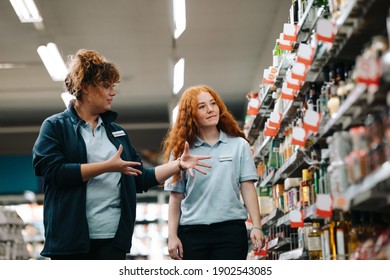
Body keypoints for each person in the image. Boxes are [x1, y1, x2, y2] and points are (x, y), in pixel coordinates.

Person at [32, 49, 211, 260]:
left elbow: (140, 178)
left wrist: (178, 165)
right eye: (106, 86)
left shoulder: (116, 133)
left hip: (112, 239)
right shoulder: (55, 126)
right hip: (70, 239)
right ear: (86, 88)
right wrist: (107, 166)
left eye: (113, 87)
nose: (112, 92)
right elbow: (52, 172)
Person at [162, 84, 264, 260]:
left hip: (231, 232)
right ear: (191, 115)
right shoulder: (181, 151)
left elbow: (247, 187)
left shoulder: (239, 145)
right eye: (202, 107)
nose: (210, 110)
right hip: (193, 234)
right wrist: (172, 236)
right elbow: (175, 197)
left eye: (213, 103)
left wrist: (256, 225)